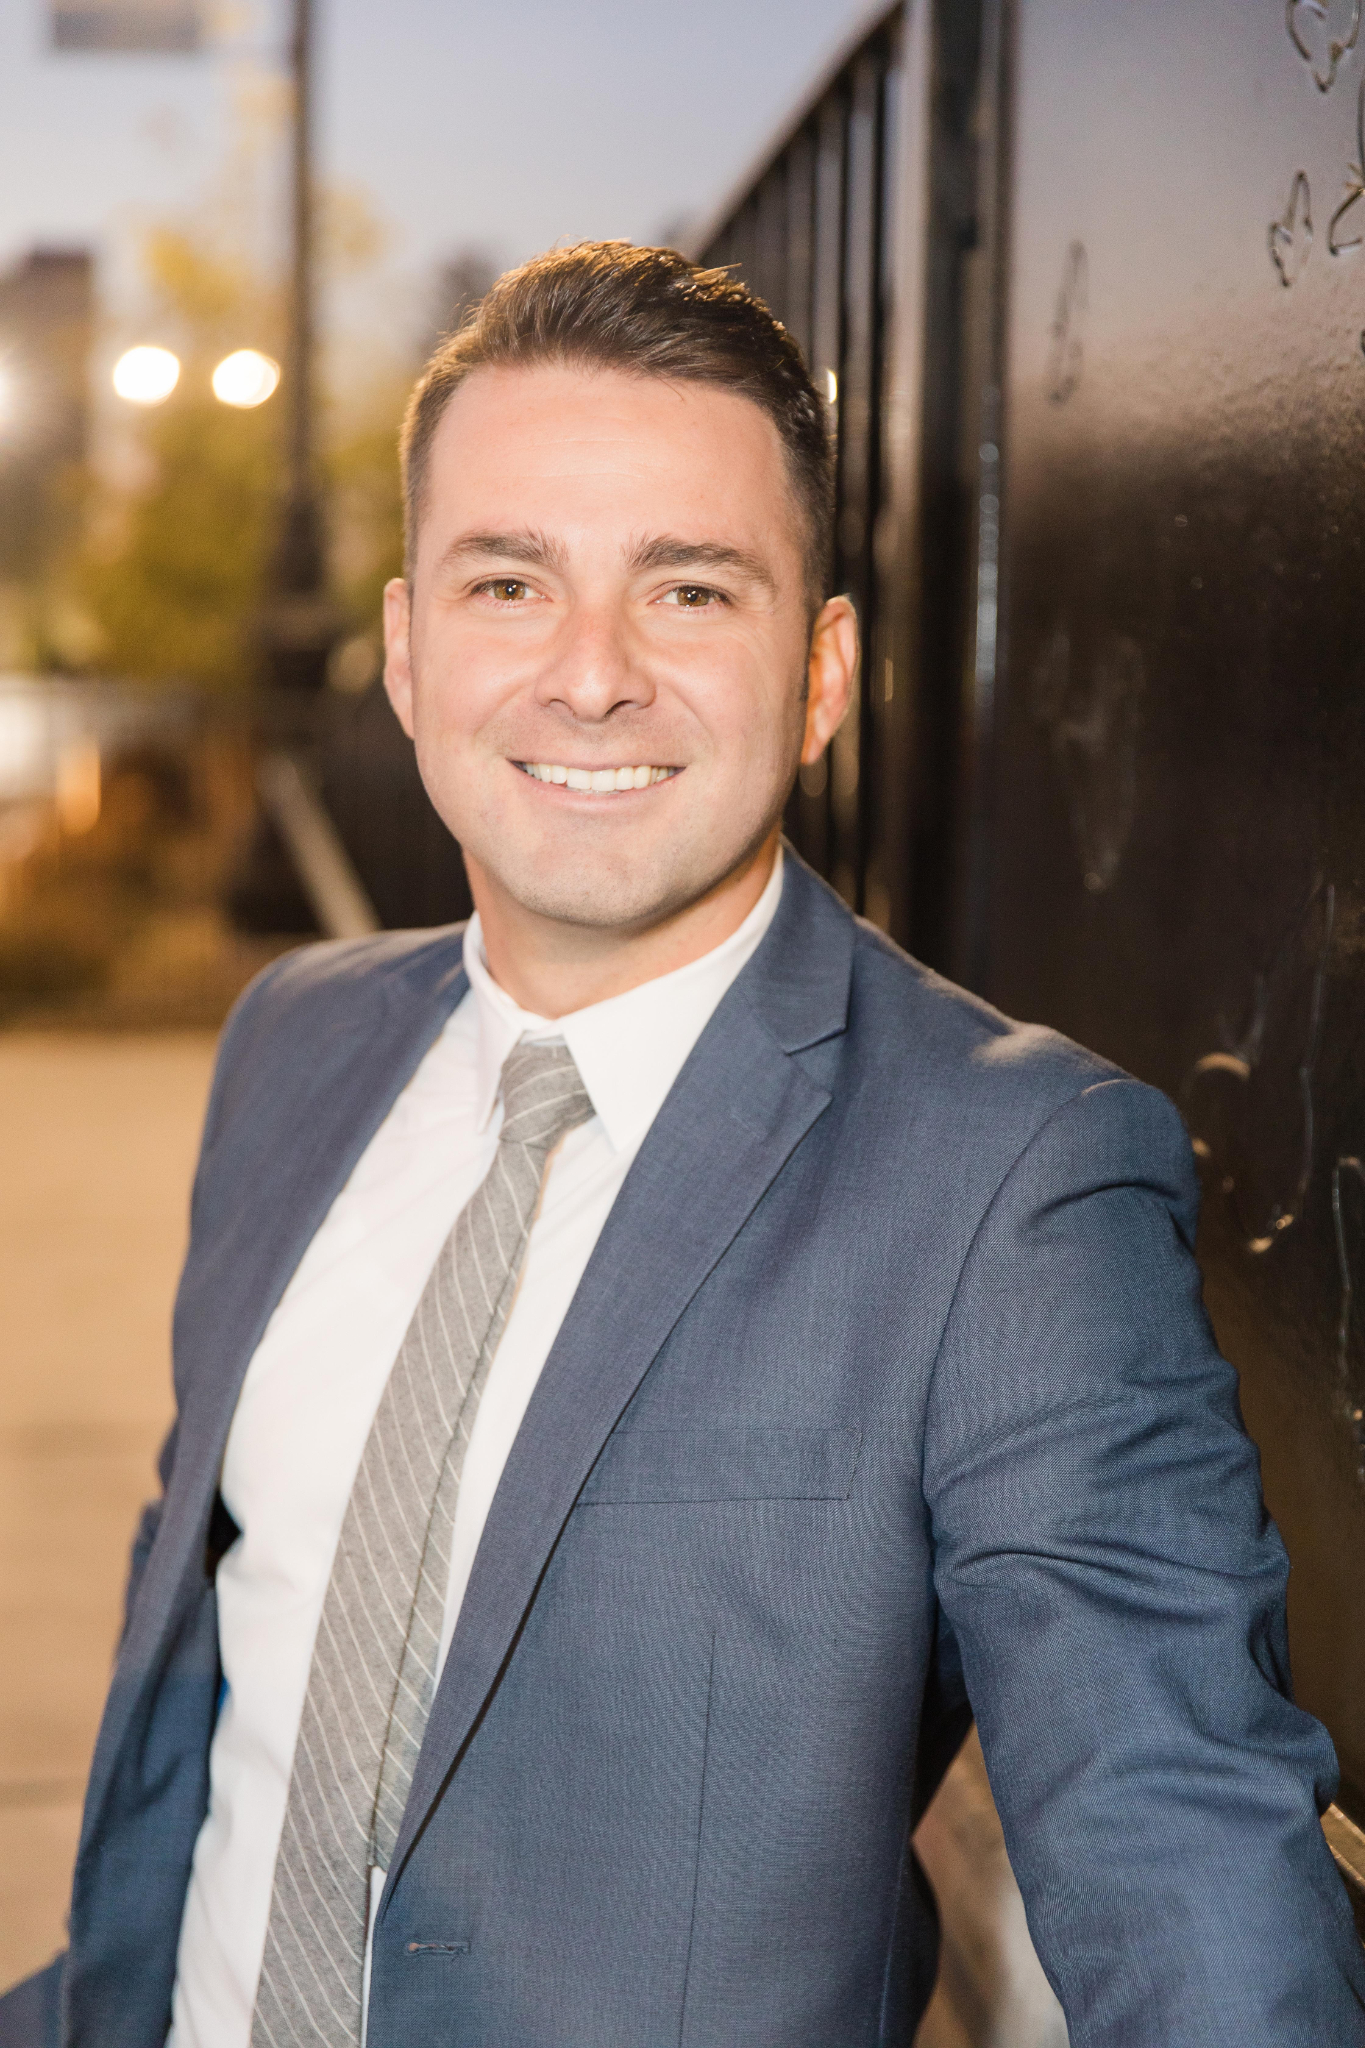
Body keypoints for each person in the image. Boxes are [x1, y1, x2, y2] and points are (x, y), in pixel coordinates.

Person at [3, 241, 1362, 2048]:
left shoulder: (1012, 1178)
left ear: (821, 674)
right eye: (509, 583)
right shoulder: (293, 1045)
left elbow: (1178, 1851)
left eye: (690, 590)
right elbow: (218, 1656)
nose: (590, 677)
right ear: (407, 652)